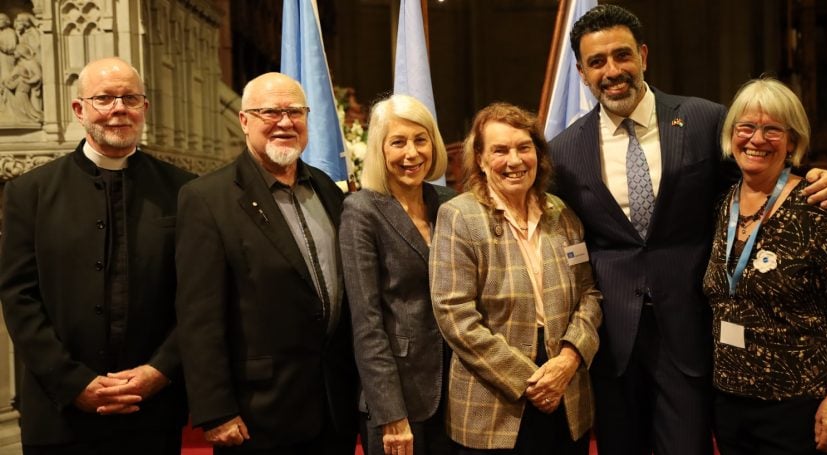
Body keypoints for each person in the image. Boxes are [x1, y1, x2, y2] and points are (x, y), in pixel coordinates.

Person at [548, 5, 827, 455]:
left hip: (691, 333)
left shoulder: (706, 120)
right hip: (612, 342)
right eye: (597, 62)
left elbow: (763, 174)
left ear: (643, 56)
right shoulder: (564, 150)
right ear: (581, 71)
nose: (612, 71)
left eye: (622, 55)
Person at [0, 57, 193, 454]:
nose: (118, 109)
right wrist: (73, 383)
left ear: (144, 108)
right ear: (79, 109)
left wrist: (160, 371)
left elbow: (198, 297)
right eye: (104, 98)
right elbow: (19, 298)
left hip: (153, 410)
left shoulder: (184, 191)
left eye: (130, 98)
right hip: (60, 413)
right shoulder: (29, 193)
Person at [175, 72, 358, 454]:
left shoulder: (327, 188)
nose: (286, 122)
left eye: (295, 111)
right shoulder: (207, 199)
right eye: (271, 112)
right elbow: (199, 317)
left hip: (334, 406)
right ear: (244, 121)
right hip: (258, 413)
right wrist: (215, 410)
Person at [430, 102, 602, 454]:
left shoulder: (562, 214)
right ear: (479, 159)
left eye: (524, 148)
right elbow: (454, 315)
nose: (514, 160)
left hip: (566, 391)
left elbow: (590, 295)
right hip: (493, 402)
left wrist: (570, 359)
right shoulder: (459, 216)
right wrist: (531, 380)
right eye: (500, 150)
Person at [703, 77, 827, 455]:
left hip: (800, 405)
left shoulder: (820, 205)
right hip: (730, 401)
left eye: (772, 130)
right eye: (747, 127)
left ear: (793, 141)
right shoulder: (722, 204)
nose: (756, 139)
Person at [340, 94, 455, 455]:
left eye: (420, 140)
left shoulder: (449, 203)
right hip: (399, 396)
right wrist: (390, 414)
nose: (412, 153)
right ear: (380, 148)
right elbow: (366, 323)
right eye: (398, 142)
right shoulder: (362, 210)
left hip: (458, 388)